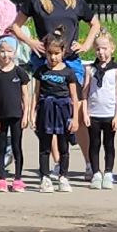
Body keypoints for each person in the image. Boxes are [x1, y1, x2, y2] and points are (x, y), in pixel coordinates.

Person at [15, 0, 94, 76]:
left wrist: (86, 45)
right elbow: (15, 26)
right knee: (44, 94)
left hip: (70, 60)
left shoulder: (76, 1)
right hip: (44, 60)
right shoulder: (35, 2)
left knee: (76, 93)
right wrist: (30, 42)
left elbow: (95, 24)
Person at [33, 33, 80, 191]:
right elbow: (36, 93)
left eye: (56, 53)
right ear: (45, 52)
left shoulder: (68, 72)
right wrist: (32, 113)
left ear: (63, 52)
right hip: (46, 109)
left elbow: (74, 97)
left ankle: (63, 177)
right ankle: (45, 177)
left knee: (63, 146)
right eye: (49, 53)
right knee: (45, 145)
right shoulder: (41, 71)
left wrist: (75, 118)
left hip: (63, 111)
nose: (53, 57)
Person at [0, 37, 31, 192]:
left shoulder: (19, 72)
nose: (5, 55)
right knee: (1, 147)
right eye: (2, 51)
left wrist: (26, 115)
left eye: (9, 51)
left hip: (17, 115)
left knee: (17, 147)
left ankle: (18, 178)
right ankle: (2, 178)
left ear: (15, 52)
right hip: (1, 116)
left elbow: (26, 96)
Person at [80, 32, 117, 190]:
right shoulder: (90, 69)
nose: (101, 52)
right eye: (98, 49)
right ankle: (96, 172)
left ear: (112, 48)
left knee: (109, 144)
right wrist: (85, 112)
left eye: (104, 48)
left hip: (109, 114)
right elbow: (84, 93)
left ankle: (109, 172)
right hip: (94, 114)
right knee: (94, 143)